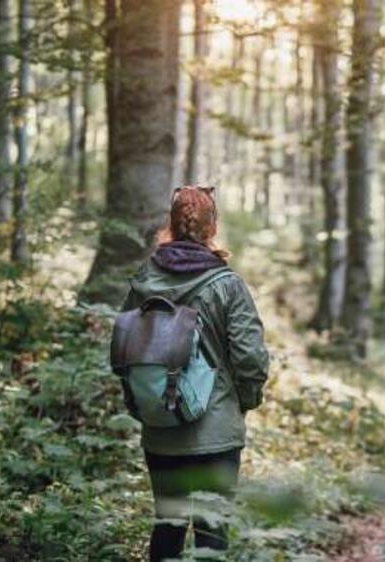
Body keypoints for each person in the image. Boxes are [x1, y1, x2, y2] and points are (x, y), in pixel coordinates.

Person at [120, 186, 269, 561]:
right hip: (215, 434)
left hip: (160, 426)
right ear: (212, 227)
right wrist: (244, 402)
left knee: (167, 527)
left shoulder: (143, 280)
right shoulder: (228, 285)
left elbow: (126, 347)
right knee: (211, 533)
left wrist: (140, 400)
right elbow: (250, 358)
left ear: (170, 224)